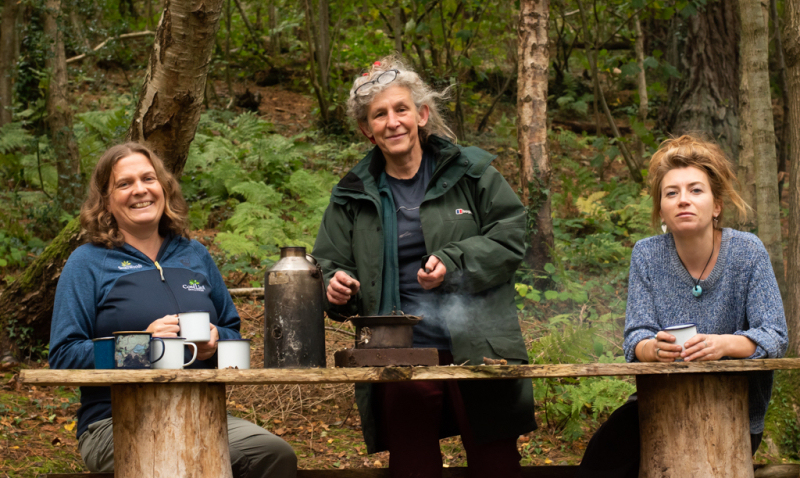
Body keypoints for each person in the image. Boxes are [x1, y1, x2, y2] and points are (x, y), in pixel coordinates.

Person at [312, 56, 536, 478]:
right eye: (379, 114)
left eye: (401, 109)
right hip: (397, 353)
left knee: (496, 464)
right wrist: (335, 284)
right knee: (413, 465)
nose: (392, 121)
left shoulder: (472, 174)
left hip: (479, 347)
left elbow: (510, 238)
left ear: (422, 114)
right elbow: (328, 263)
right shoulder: (351, 194)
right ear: (366, 129)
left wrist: (453, 262)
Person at [49, 142, 297, 478]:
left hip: (200, 413)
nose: (140, 190)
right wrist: (142, 347)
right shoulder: (87, 263)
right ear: (105, 200)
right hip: (115, 419)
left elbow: (231, 332)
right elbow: (64, 354)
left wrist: (215, 341)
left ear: (164, 188)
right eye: (124, 183)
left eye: (148, 179)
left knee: (272, 455)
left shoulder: (194, 255)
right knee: (180, 458)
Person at [577, 135, 788, 477]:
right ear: (661, 208)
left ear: (716, 205)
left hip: (735, 413)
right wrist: (653, 349)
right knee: (603, 455)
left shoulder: (747, 252)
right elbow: (636, 337)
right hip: (658, 406)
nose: (683, 201)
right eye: (671, 193)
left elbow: (775, 336)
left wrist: (722, 344)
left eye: (695, 190)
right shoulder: (647, 254)